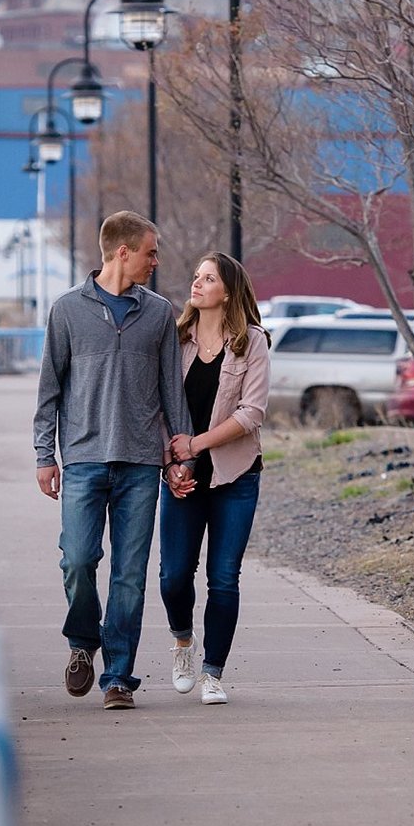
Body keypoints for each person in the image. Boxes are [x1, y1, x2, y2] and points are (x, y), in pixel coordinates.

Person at [33, 212, 192, 709]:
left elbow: (172, 390)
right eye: (150, 251)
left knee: (130, 572)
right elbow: (49, 391)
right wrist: (45, 454)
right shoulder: (67, 311)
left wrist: (178, 452)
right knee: (78, 560)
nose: (156, 261)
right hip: (82, 459)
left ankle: (118, 676)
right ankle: (83, 643)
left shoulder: (160, 313)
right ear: (122, 252)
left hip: (142, 463)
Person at [158, 253, 271, 705]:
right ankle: (184, 642)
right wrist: (172, 463)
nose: (197, 283)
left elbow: (252, 413)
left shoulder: (253, 343)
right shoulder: (176, 339)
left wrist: (197, 445)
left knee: (224, 577)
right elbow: (161, 407)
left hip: (235, 475)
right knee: (173, 576)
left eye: (208, 278)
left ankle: (213, 672)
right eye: (196, 276)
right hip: (182, 475)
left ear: (228, 290)